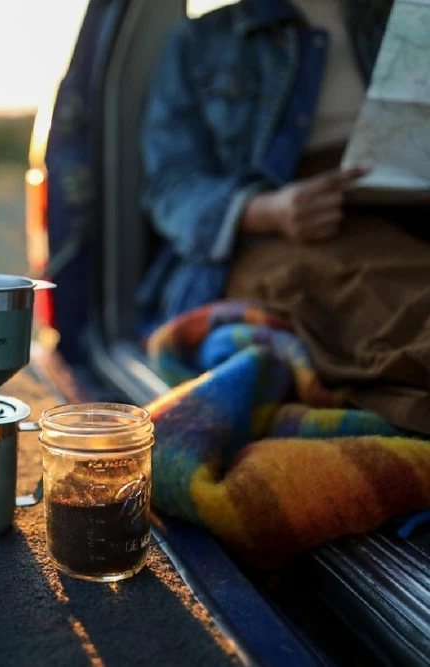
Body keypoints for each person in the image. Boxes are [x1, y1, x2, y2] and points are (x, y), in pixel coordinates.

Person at [140, 0, 430, 434]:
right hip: (272, 234)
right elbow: (169, 186)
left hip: (406, 214)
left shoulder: (403, 16)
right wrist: (266, 211)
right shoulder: (203, 42)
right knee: (391, 306)